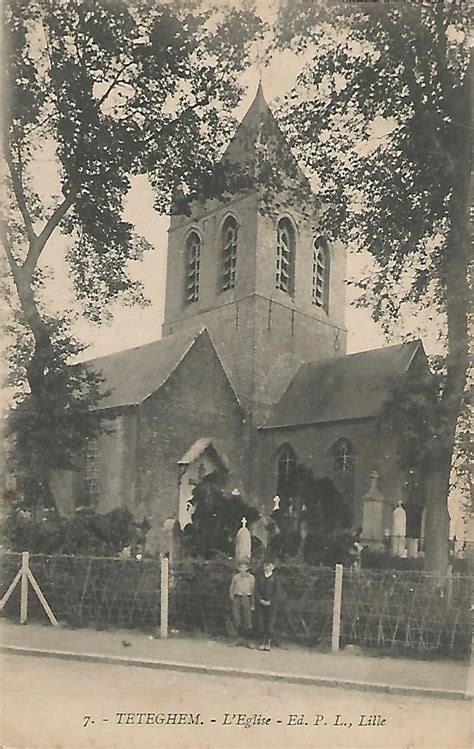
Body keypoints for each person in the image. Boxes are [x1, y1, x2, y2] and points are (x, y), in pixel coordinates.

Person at [255, 560, 280, 651]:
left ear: (273, 567)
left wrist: (271, 601)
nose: (267, 567)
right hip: (260, 604)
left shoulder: (276, 579)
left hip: (271, 605)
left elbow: (277, 592)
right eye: (266, 565)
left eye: (269, 566)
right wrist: (260, 600)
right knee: (260, 623)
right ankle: (261, 642)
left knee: (270, 624)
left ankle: (268, 642)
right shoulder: (259, 577)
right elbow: (256, 590)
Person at [229, 561, 255, 647]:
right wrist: (232, 596)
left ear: (247, 568)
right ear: (238, 568)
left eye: (244, 567)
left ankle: (248, 640)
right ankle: (238, 638)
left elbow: (253, 591)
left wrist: (252, 603)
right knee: (237, 618)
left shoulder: (251, 578)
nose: (242, 569)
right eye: (240, 567)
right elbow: (232, 587)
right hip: (237, 598)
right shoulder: (236, 577)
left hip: (246, 598)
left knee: (247, 619)